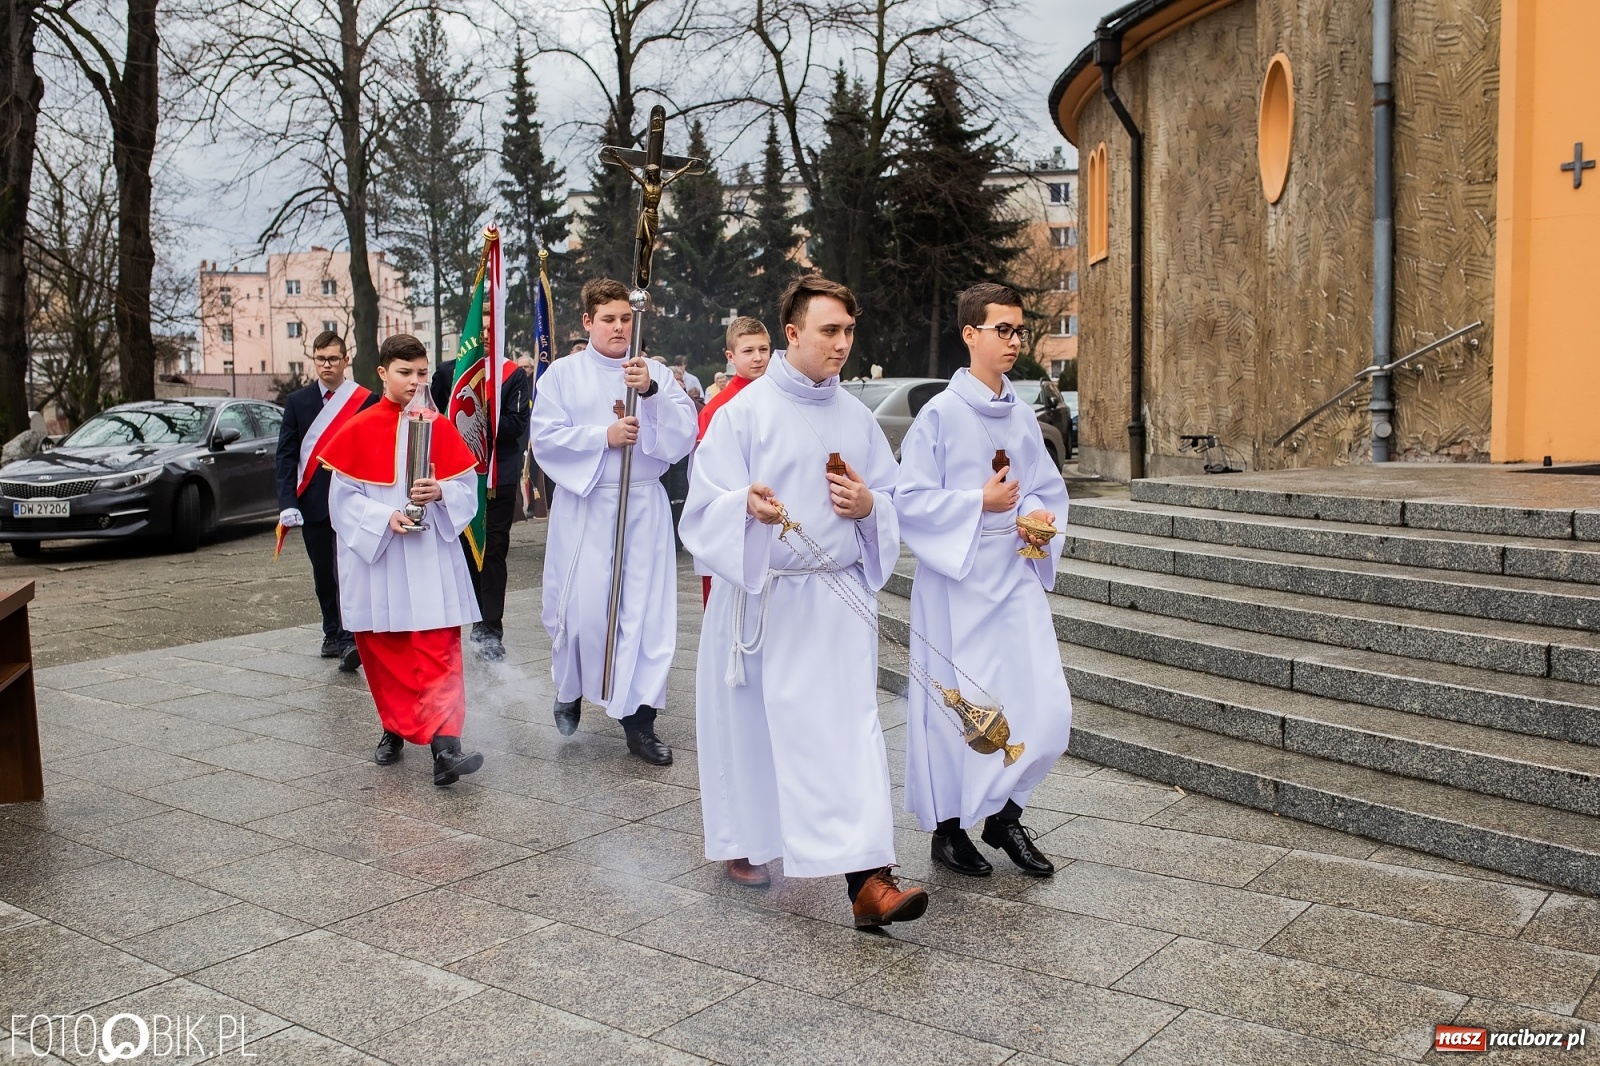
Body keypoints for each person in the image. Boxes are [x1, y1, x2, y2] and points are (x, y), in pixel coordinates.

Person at [680, 275, 927, 927]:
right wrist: (745, 507)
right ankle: (749, 839)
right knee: (757, 734)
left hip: (837, 602)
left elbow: (891, 500)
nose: (842, 344)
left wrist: (869, 506)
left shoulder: (857, 418)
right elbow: (701, 511)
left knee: (851, 734)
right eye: (829, 331)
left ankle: (869, 880)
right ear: (792, 333)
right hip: (766, 599)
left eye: (849, 331)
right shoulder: (743, 414)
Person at [893, 283, 1072, 878]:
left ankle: (1004, 814)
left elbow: (1044, 487)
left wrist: (1038, 518)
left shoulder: (1021, 415)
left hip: (1014, 571)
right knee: (961, 707)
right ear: (971, 334)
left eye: (1019, 330)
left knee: (1046, 708)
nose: (1014, 340)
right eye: (1003, 329)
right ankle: (948, 830)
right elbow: (910, 500)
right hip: (958, 579)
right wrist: (979, 502)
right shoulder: (939, 415)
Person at [530, 278, 698, 765]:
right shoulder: (562, 375)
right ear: (588, 322)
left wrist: (650, 393)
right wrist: (602, 436)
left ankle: (640, 723)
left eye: (626, 318)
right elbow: (545, 439)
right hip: (587, 504)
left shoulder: (654, 373)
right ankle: (570, 688)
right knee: (582, 613)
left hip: (641, 506)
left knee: (642, 618)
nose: (620, 327)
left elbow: (683, 433)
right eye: (608, 319)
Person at [319, 334, 486, 786]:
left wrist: (442, 491)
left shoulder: (439, 426)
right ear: (382, 373)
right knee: (387, 653)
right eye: (404, 372)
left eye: (421, 373)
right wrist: (383, 518)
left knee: (439, 649)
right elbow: (342, 502)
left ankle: (446, 748)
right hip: (383, 560)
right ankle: (393, 728)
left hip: (430, 556)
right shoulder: (358, 428)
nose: (415, 381)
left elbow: (467, 491)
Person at [274, 330, 378, 673]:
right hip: (314, 502)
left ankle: (350, 639)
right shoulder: (297, 402)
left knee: (349, 571)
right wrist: (288, 502)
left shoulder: (366, 400)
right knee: (324, 573)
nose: (326, 365)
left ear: (346, 360)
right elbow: (286, 456)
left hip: (354, 501)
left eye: (333, 359)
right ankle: (332, 632)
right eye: (320, 359)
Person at [430, 348, 532, 662]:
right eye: (482, 325)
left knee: (493, 552)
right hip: (456, 479)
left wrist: (481, 413)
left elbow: (516, 426)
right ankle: (466, 619)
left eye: (492, 325)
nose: (487, 331)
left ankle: (490, 628)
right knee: (462, 553)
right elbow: (434, 418)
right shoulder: (448, 372)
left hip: (497, 480)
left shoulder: (513, 374)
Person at [694, 315, 772, 608]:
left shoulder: (782, 400)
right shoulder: (716, 409)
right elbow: (706, 478)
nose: (758, 358)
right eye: (748, 351)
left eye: (763, 349)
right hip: (734, 522)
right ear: (730, 356)